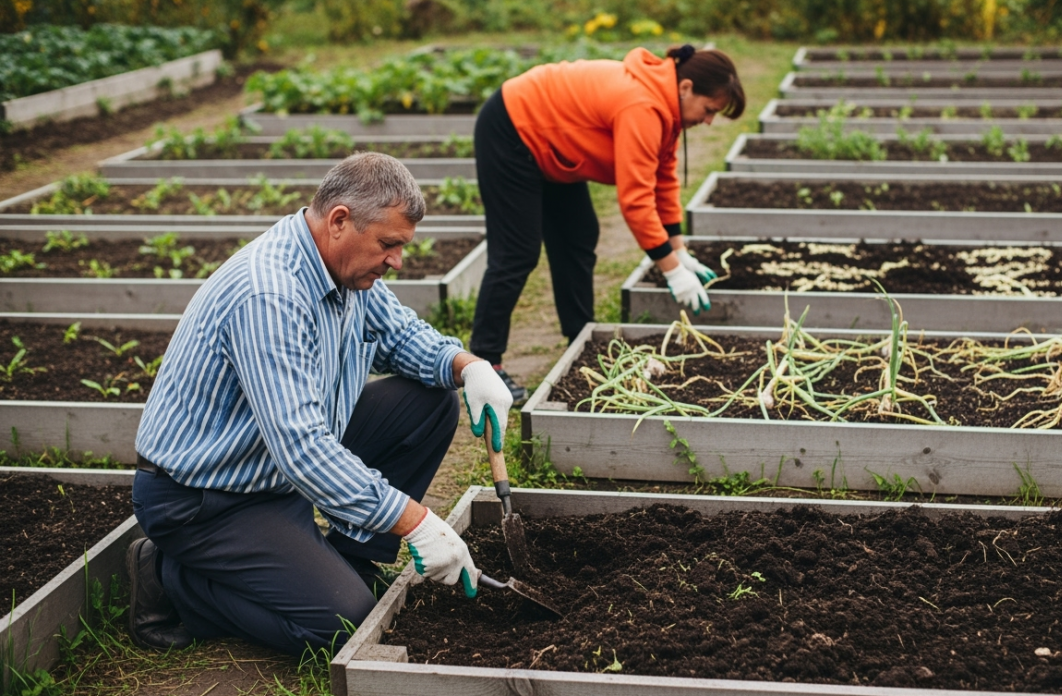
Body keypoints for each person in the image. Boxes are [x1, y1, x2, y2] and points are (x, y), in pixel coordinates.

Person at [127, 152, 513, 655]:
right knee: (345, 625)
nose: (397, 261)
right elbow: (302, 448)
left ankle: (347, 560)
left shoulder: (344, 269)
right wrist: (414, 522)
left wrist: (468, 367)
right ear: (339, 221)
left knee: (430, 402)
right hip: (207, 498)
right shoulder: (269, 295)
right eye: (389, 244)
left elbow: (398, 336)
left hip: (270, 471)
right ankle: (169, 576)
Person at [470, 44, 746, 403]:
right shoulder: (643, 105)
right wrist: (672, 271)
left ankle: (580, 339)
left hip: (553, 142)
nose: (708, 121)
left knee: (578, 234)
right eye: (709, 110)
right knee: (517, 252)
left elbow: (662, 180)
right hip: (512, 128)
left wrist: (680, 251)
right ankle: (485, 362)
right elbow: (636, 201)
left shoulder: (667, 109)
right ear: (686, 87)